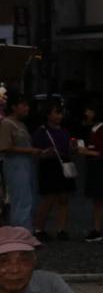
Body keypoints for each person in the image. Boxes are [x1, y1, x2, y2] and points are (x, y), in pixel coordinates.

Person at [0, 93, 48, 231]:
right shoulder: (6, 124)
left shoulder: (21, 124)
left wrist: (38, 152)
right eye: (24, 105)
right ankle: (21, 233)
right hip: (15, 164)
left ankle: (26, 231)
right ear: (14, 107)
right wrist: (29, 151)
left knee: (29, 198)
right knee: (20, 199)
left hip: (27, 164)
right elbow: (5, 147)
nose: (27, 108)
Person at [76, 102, 103, 244]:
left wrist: (86, 151)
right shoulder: (96, 128)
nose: (86, 113)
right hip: (94, 166)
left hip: (101, 167)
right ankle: (97, 229)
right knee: (97, 199)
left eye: (88, 110)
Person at [32, 102, 74, 241]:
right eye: (56, 112)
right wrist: (44, 153)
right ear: (48, 114)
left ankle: (61, 229)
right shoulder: (42, 131)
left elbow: (68, 149)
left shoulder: (64, 131)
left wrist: (73, 148)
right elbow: (36, 151)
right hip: (49, 165)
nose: (59, 116)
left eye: (60, 113)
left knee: (63, 198)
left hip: (63, 164)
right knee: (48, 199)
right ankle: (39, 229)